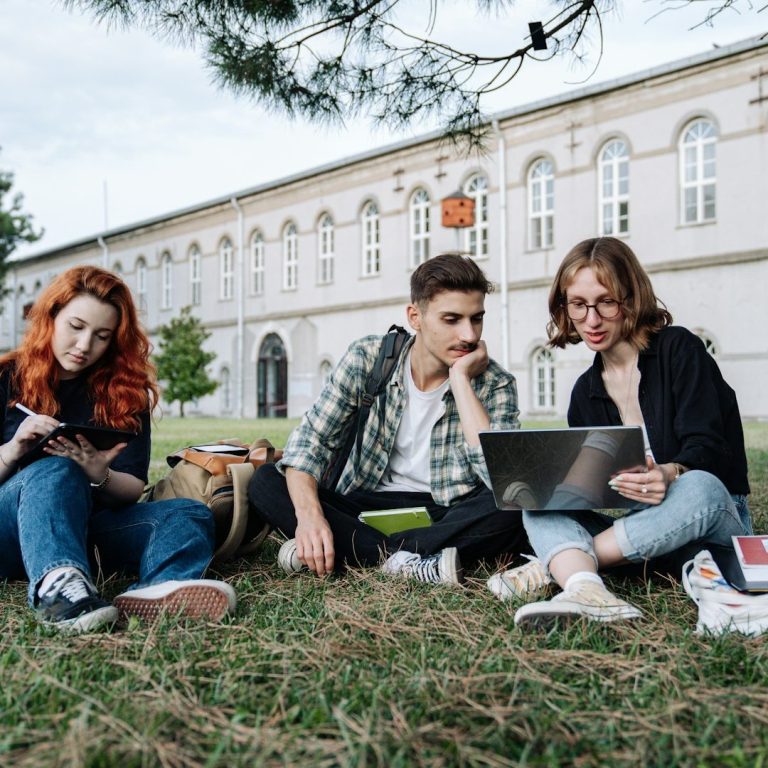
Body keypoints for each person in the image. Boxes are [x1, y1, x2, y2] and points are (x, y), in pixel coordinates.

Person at [487, 237, 752, 627]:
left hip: (709, 520)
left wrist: (669, 472)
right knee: (536, 498)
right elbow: (594, 491)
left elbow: (711, 448)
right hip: (643, 537)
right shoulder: (585, 392)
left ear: (631, 298)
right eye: (578, 304)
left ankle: (563, 566)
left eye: (606, 302)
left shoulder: (680, 350)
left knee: (700, 485)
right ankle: (587, 590)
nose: (591, 320)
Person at [248, 253, 528, 583]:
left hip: (448, 512)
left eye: (476, 319)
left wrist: (462, 381)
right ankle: (415, 559)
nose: (469, 335)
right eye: (452, 319)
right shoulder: (367, 358)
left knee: (516, 504)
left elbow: (502, 481)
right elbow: (310, 445)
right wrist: (309, 517)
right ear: (415, 316)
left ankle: (367, 554)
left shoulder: (495, 383)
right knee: (266, 482)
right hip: (364, 507)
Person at [0, 266, 236, 632]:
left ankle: (160, 589)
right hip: (11, 531)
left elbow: (131, 486)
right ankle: (60, 591)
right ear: (52, 317)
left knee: (187, 513)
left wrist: (99, 473)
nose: (84, 346)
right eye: (75, 327)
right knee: (58, 469)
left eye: (101, 336)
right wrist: (13, 449)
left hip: (86, 530)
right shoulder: (8, 375)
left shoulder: (123, 394)